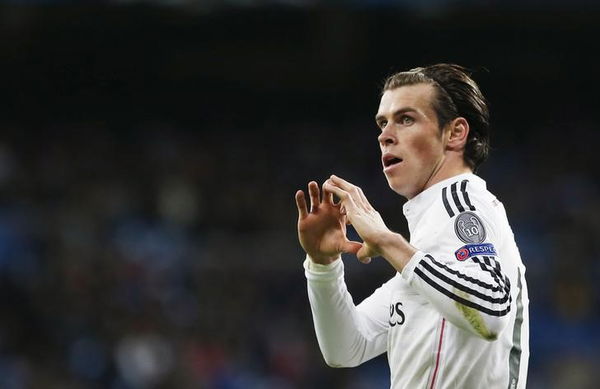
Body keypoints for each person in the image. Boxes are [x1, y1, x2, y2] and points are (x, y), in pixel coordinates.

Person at [294, 64, 529, 388]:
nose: (385, 135)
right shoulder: (424, 253)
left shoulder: (462, 204)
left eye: (406, 119)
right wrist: (323, 266)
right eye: (382, 123)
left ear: (455, 133)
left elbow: (490, 314)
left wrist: (388, 241)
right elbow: (346, 348)